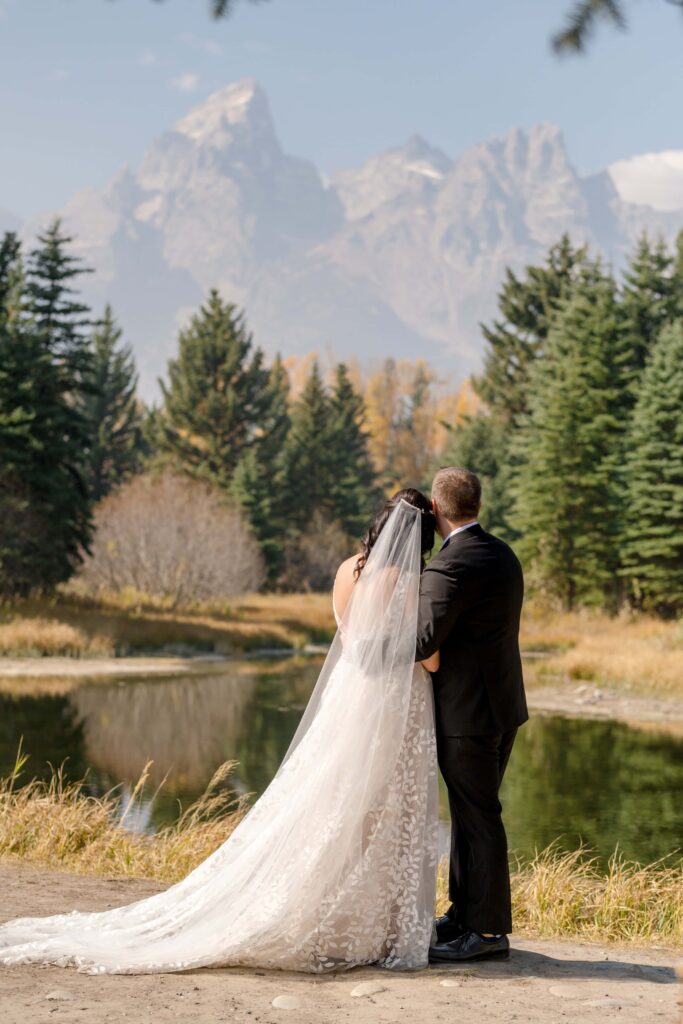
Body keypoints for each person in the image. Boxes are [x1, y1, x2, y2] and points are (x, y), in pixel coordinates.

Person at [0, 489, 440, 975]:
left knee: (333, 805)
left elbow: (351, 634)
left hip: (348, 697)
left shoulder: (347, 570)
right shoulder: (409, 579)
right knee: (379, 811)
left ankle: (334, 917)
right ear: (420, 535)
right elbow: (428, 655)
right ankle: (375, 925)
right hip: (387, 706)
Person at [416, 467, 528, 964]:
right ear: (476, 504)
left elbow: (423, 640)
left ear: (437, 509)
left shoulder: (450, 566)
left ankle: (485, 933)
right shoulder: (503, 555)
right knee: (471, 814)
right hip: (503, 708)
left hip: (467, 717)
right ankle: (464, 914)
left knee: (480, 818)